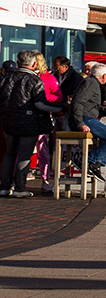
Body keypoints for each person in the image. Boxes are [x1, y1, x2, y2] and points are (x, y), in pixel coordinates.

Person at [1, 51, 60, 197]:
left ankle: (4, 186)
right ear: (33, 64)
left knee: (9, 153)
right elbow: (40, 104)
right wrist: (59, 108)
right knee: (24, 155)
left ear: (18, 62)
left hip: (7, 121)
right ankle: (20, 189)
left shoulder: (4, 79)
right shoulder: (34, 81)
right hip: (29, 123)